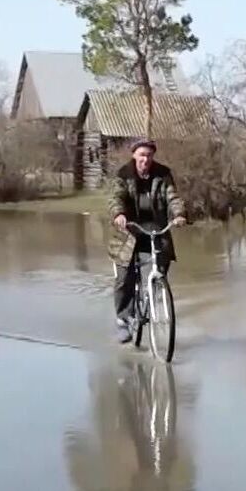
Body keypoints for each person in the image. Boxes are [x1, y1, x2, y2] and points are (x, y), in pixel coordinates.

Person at [109, 139, 186, 342]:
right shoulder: (123, 174)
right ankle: (123, 320)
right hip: (130, 230)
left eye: (149, 155)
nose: (145, 159)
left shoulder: (163, 174)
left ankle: (151, 293)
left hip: (156, 229)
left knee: (162, 264)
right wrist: (118, 214)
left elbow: (173, 197)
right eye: (142, 155)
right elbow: (116, 197)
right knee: (125, 277)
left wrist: (178, 214)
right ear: (134, 155)